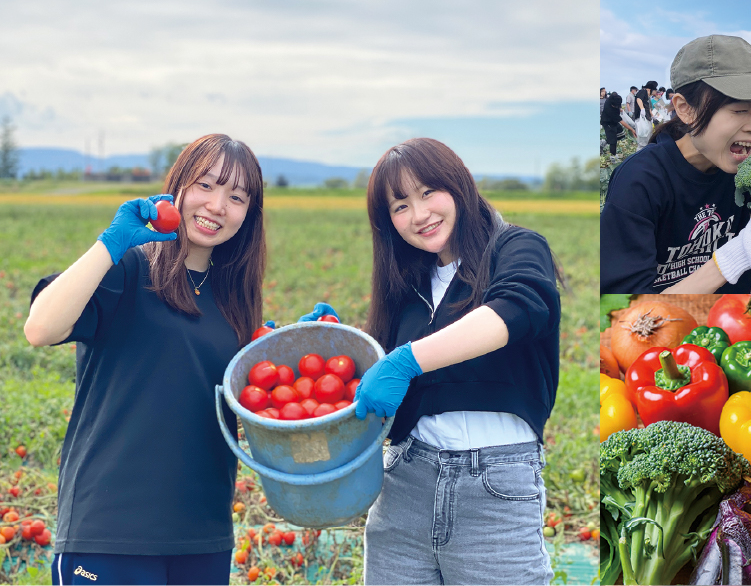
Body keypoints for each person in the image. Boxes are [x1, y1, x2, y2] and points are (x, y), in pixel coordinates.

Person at [301, 138, 561, 584]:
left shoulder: (515, 248)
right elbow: (380, 376)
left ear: (458, 186)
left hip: (495, 489)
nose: (419, 215)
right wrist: (339, 349)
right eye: (400, 206)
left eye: (427, 193)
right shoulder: (408, 281)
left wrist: (406, 360)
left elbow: (520, 308)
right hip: (406, 485)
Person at [23, 134, 266, 585]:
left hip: (203, 537)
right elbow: (41, 329)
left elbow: (254, 406)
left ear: (249, 215)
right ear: (180, 186)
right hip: (110, 532)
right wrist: (110, 245)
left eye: (236, 197)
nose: (217, 206)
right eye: (206, 186)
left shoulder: (235, 301)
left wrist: (305, 345)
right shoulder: (129, 270)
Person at [600, 35, 751, 294]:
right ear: (685, 109)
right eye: (738, 109)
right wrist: (736, 256)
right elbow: (626, 314)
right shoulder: (640, 181)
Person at [602, 91, 626, 157]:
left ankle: (604, 142)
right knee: (613, 140)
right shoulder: (609, 108)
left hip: (613, 122)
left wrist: (620, 108)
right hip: (607, 122)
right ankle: (613, 156)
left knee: (621, 134)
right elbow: (620, 120)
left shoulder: (613, 99)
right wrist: (631, 129)